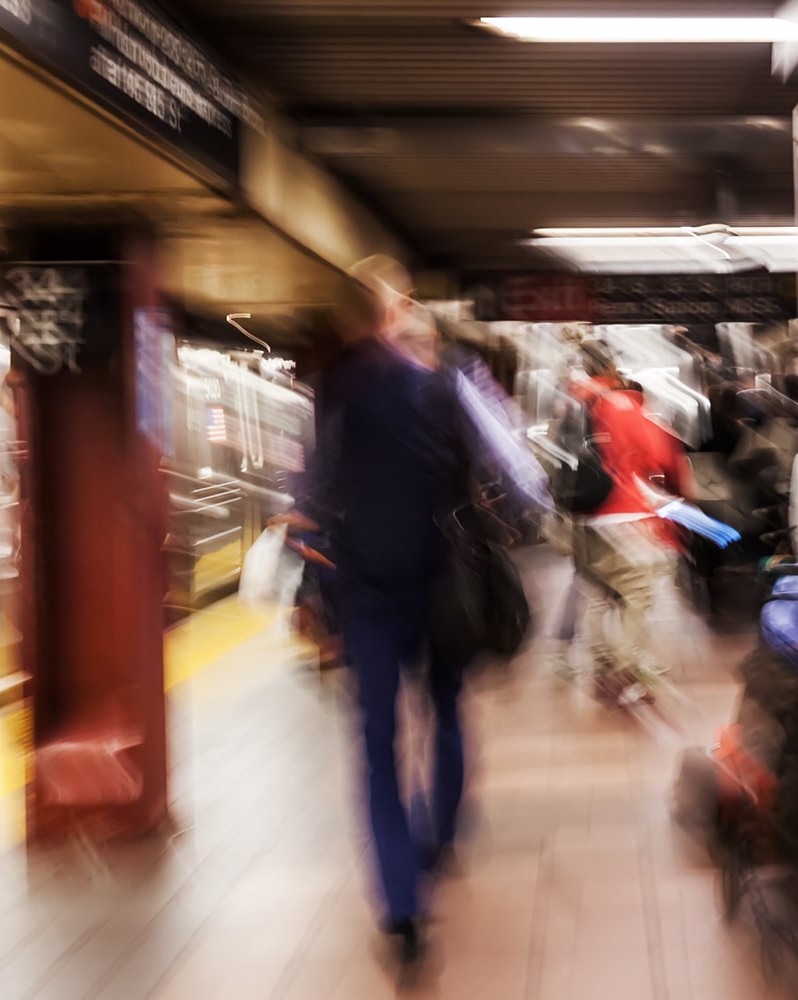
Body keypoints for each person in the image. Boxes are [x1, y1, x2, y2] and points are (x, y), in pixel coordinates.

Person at [292, 261, 475, 971]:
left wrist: (315, 587)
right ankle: (442, 832)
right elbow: (478, 483)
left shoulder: (332, 394)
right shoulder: (439, 389)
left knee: (376, 748)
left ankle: (401, 907)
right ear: (391, 315)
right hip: (439, 585)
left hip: (368, 594)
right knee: (448, 709)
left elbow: (316, 499)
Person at [572, 353, 693, 707]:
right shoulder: (625, 406)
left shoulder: (581, 402)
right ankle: (623, 675)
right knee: (638, 597)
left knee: (598, 595)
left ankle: (600, 668)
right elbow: (656, 459)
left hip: (585, 515)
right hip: (623, 514)